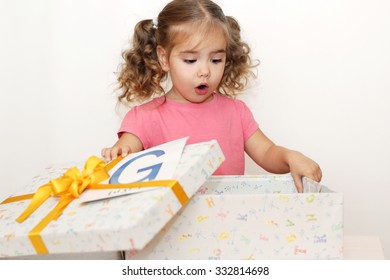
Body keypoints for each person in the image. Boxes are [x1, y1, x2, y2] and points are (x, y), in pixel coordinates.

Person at [101, 0, 322, 192]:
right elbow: (126, 148)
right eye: (190, 60)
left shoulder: (236, 112)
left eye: (216, 60)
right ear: (164, 58)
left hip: (226, 226)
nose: (205, 71)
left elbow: (267, 152)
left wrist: (290, 157)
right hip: (171, 232)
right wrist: (120, 152)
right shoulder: (145, 117)